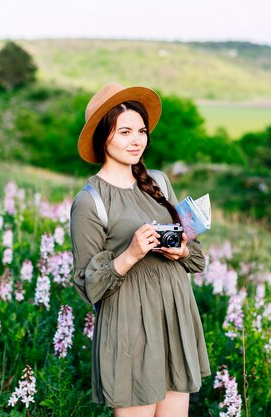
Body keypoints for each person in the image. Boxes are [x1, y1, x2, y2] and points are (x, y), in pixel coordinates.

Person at [69, 83, 211, 417]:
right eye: (125, 132)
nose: (137, 140)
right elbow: (87, 286)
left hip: (175, 315)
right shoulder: (89, 202)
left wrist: (182, 251)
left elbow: (197, 255)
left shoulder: (159, 182)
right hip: (130, 326)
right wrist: (131, 253)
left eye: (142, 131)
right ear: (103, 136)